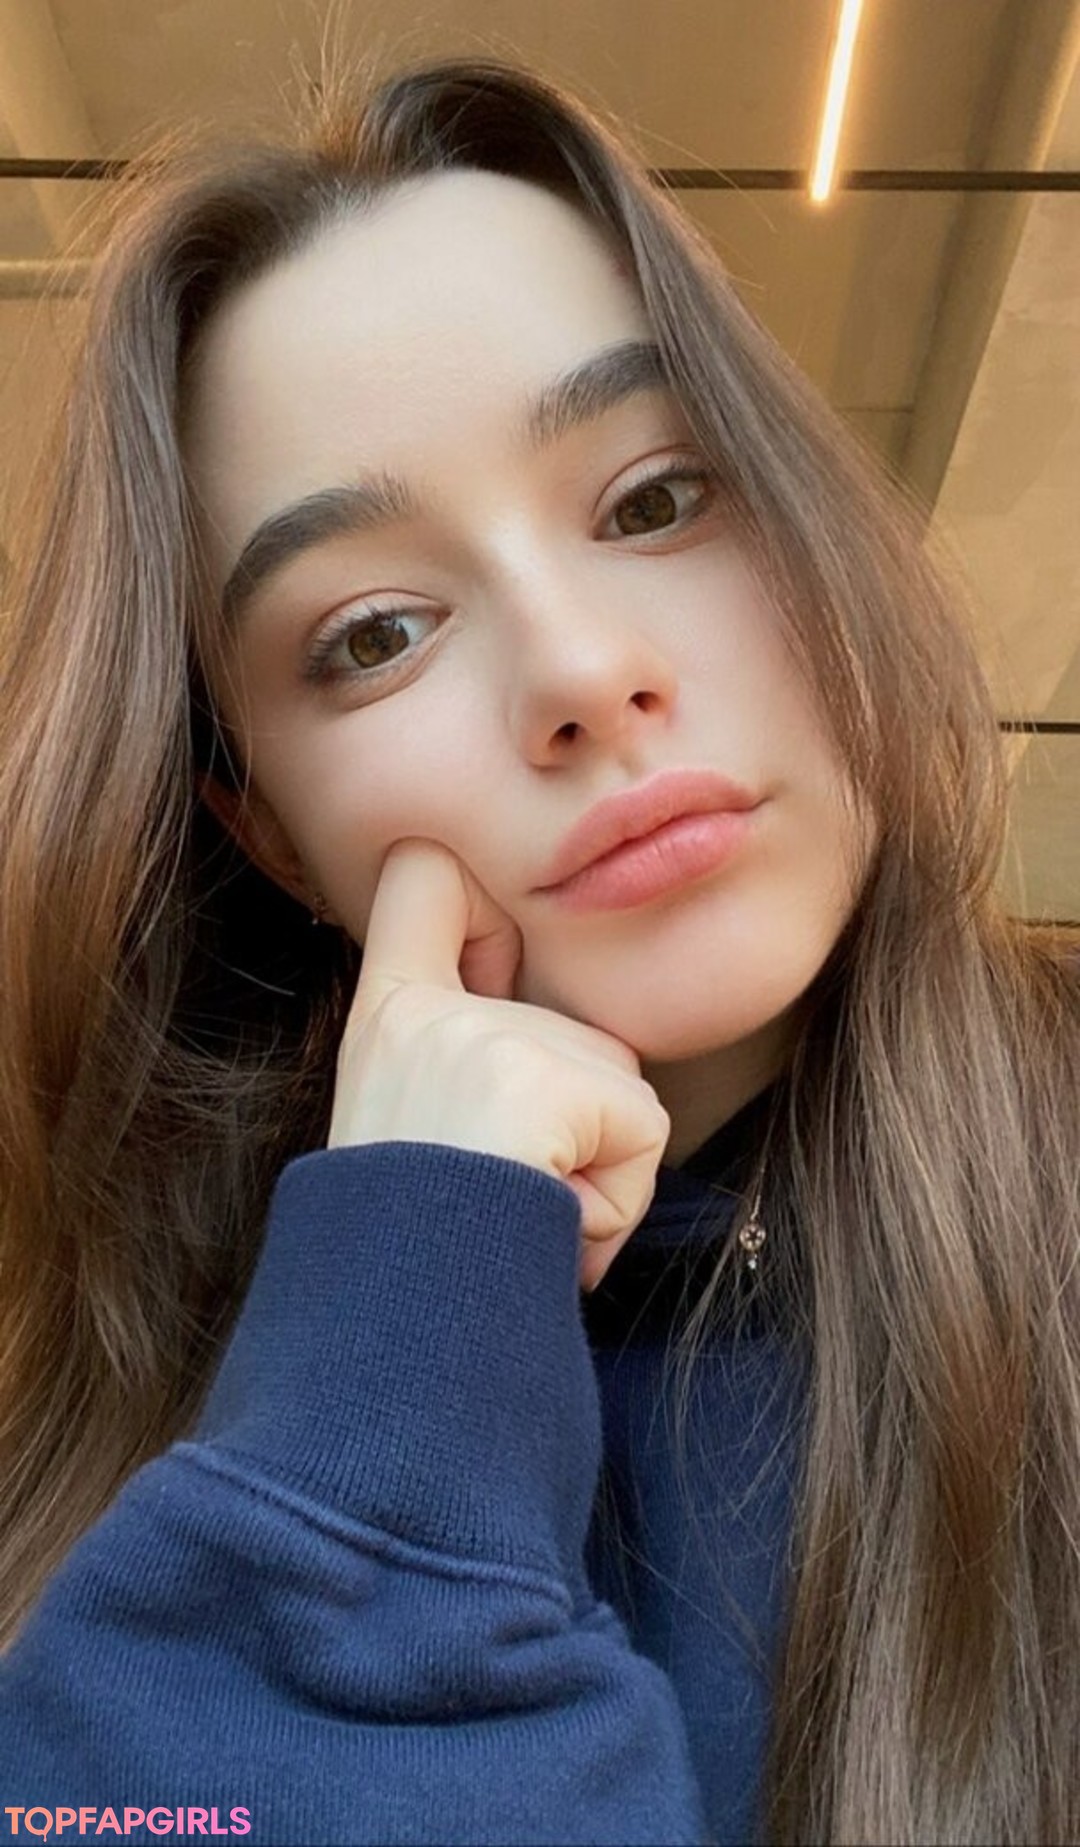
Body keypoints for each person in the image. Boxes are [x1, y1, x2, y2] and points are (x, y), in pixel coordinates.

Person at [0, 47, 1077, 1847]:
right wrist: (400, 1331)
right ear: (268, 832)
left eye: (656, 499)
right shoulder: (129, 1419)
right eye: (375, 633)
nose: (583, 670)